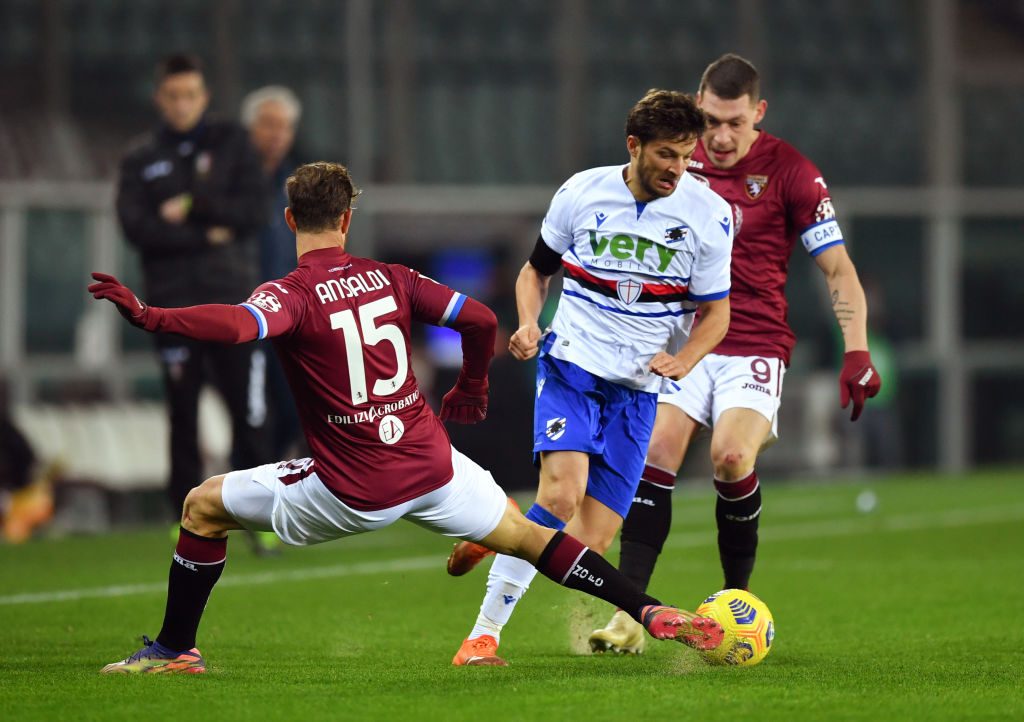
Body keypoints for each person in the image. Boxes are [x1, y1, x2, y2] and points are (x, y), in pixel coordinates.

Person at [91, 161, 723, 674]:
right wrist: (472, 388)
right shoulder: (391, 278)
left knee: (204, 505)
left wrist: (153, 316)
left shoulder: (288, 294)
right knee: (533, 536)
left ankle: (176, 650)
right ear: (347, 219)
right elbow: (479, 319)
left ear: (290, 220)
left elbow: (234, 325)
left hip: (351, 489)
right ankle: (650, 609)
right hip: (435, 467)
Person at [589, 54, 883, 655]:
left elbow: (838, 268)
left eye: (735, 122)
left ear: (758, 113)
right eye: (711, 120)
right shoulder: (676, 161)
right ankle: (632, 616)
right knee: (655, 452)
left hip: (753, 342)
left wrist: (857, 350)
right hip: (684, 343)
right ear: (698, 108)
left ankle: (734, 604)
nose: (720, 137)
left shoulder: (793, 172)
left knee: (728, 458)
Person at [445, 90, 734, 666]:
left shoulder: (710, 215)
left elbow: (718, 314)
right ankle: (482, 638)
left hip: (640, 390)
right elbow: (535, 272)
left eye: (685, 155)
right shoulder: (581, 192)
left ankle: (499, 530)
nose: (678, 168)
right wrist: (528, 323)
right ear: (634, 146)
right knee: (561, 493)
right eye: (666, 155)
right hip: (572, 365)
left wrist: (687, 358)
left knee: (590, 540)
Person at [116, 53, 271, 524]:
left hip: (231, 303)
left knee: (246, 410)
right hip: (173, 306)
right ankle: (185, 515)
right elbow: (136, 228)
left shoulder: (234, 144)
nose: (182, 104)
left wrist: (190, 205)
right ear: (160, 99)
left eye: (190, 95)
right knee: (182, 414)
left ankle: (258, 517)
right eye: (173, 96)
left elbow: (253, 215)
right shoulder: (141, 158)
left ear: (203, 97)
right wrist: (207, 231)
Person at [241, 85, 304, 460]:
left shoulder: (295, 188)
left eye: (285, 126)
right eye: (268, 124)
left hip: (287, 318)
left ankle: (272, 487)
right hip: (245, 317)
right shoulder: (230, 183)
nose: (277, 134)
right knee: (251, 415)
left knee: (292, 410)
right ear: (250, 128)